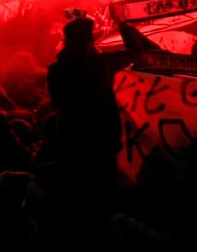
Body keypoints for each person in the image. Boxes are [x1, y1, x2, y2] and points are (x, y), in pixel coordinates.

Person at [46, 16, 139, 214]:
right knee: (104, 189)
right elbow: (136, 52)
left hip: (71, 138)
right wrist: (123, 26)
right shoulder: (102, 63)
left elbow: (56, 103)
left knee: (77, 193)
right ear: (89, 41)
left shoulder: (56, 69)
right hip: (102, 137)